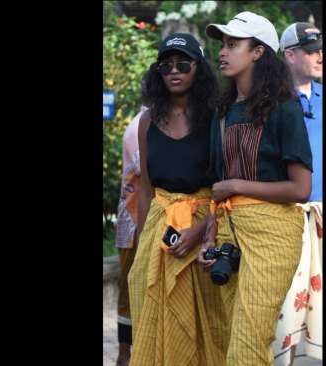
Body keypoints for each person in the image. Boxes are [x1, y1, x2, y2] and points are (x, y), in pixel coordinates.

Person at [199, 11, 313, 365]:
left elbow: (301, 188)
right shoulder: (223, 111)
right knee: (229, 336)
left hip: (273, 232)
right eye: (222, 44)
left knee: (248, 342)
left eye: (233, 44)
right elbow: (218, 189)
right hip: (228, 232)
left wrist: (235, 184)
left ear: (259, 52)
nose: (223, 51)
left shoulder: (284, 107)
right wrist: (208, 235)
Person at [127, 33, 226, 366]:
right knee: (153, 316)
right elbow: (145, 188)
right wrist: (144, 243)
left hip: (205, 230)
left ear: (198, 69)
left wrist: (199, 234)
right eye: (165, 65)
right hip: (160, 232)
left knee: (204, 326)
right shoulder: (146, 122)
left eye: (183, 63)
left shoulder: (217, 119)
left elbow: (227, 189)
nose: (174, 71)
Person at [271, 23, 324, 365]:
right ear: (289, 55)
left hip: (322, 220)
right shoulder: (270, 102)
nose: (320, 55)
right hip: (285, 223)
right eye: (311, 50)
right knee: (284, 319)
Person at [114, 104, 147, 366]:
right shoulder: (140, 125)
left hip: (145, 219)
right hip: (134, 223)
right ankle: (125, 355)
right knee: (129, 289)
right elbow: (149, 171)